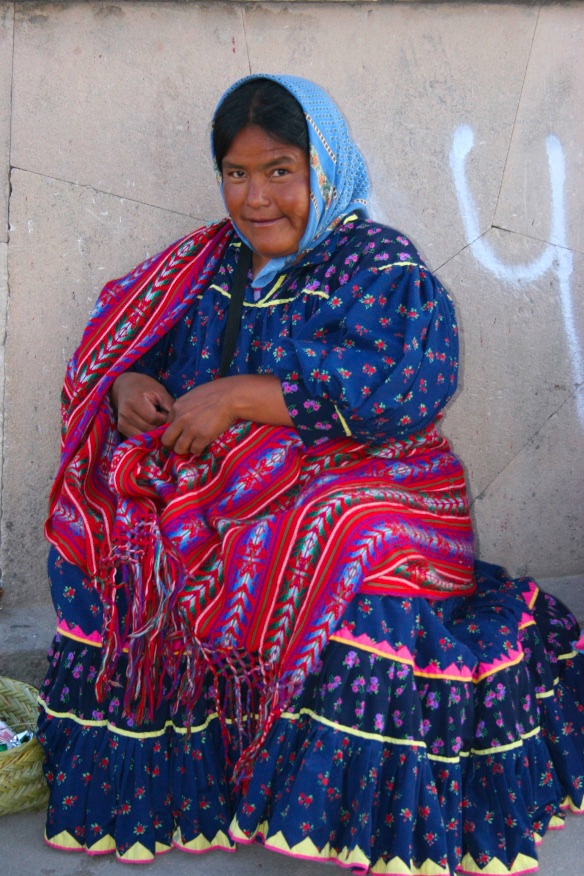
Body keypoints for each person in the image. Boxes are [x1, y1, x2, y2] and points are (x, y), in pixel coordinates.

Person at [38, 74, 583, 874]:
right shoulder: (207, 265)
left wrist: (241, 397)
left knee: (328, 537)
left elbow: (405, 387)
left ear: (324, 166)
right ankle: (197, 777)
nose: (255, 197)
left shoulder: (376, 263)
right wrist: (129, 386)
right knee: (123, 528)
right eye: (236, 172)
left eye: (280, 170)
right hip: (233, 487)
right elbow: (126, 344)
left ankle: (326, 796)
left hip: (385, 482)